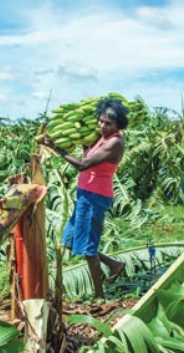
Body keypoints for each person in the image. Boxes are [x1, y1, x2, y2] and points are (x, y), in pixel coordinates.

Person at [44, 98, 127, 300]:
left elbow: (83, 164)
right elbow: (87, 153)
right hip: (85, 195)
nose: (102, 126)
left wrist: (56, 148)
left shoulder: (114, 142)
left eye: (108, 123)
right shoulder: (101, 138)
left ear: (118, 125)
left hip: (95, 197)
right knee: (71, 241)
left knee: (89, 248)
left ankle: (99, 295)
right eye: (101, 121)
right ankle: (114, 265)